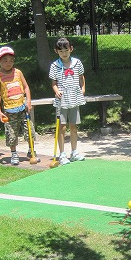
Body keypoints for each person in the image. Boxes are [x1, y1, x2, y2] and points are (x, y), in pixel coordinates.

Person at [0, 46, 39, 165]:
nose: (8, 63)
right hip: (9, 111)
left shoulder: (18, 72)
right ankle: (14, 154)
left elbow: (26, 87)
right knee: (11, 134)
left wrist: (28, 101)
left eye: (11, 60)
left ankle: (31, 151)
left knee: (29, 131)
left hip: (23, 109)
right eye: (5, 60)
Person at [49, 37, 86, 165]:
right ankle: (62, 154)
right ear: (56, 51)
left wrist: (83, 89)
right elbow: (53, 83)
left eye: (66, 50)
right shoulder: (55, 66)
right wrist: (56, 90)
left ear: (71, 49)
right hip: (62, 99)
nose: (64, 53)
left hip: (74, 97)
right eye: (61, 51)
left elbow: (81, 77)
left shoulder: (77, 63)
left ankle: (74, 152)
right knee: (62, 127)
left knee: (73, 126)